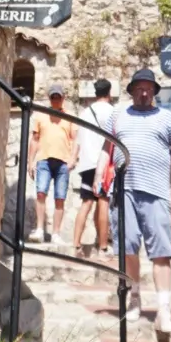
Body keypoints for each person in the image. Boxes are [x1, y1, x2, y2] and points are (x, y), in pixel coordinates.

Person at [102, 68, 171, 342]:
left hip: (157, 190)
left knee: (161, 251)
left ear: (154, 91)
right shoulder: (118, 115)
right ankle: (134, 297)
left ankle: (164, 308)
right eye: (139, 88)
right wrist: (102, 175)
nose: (144, 92)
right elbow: (107, 147)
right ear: (132, 90)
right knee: (127, 246)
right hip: (124, 190)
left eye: (149, 88)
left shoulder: (167, 118)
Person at [27, 84, 79, 245]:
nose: (56, 100)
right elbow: (34, 140)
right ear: (50, 98)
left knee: (60, 198)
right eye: (53, 97)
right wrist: (30, 162)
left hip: (63, 162)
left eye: (58, 97)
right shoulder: (41, 116)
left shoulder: (70, 116)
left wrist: (73, 159)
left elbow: (76, 139)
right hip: (44, 159)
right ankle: (40, 230)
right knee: (41, 193)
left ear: (63, 98)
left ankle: (56, 233)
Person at [73, 77, 113, 259]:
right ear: (109, 93)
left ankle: (75, 245)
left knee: (86, 203)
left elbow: (78, 140)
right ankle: (103, 247)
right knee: (103, 201)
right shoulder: (112, 112)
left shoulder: (84, 113)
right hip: (102, 164)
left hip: (86, 163)